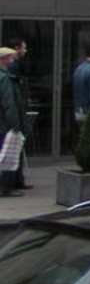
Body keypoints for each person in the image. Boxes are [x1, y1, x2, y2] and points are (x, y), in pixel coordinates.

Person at [7, 39, 33, 190]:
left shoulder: (16, 67)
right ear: (16, 48)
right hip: (15, 114)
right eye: (24, 48)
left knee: (17, 148)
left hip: (18, 112)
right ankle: (13, 182)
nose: (25, 51)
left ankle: (18, 180)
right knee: (15, 148)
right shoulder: (12, 68)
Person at [0, 47, 24, 196]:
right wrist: (15, 125)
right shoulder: (4, 78)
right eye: (10, 57)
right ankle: (5, 187)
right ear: (3, 59)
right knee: (7, 156)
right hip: (4, 124)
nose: (12, 60)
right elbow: (9, 103)